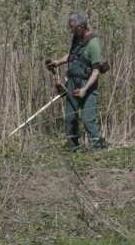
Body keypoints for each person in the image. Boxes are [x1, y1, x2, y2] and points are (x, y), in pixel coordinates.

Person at [45, 12, 107, 151]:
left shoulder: (93, 44)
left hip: (88, 84)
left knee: (87, 119)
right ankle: (73, 149)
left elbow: (96, 71)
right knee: (70, 117)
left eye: (75, 29)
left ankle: (97, 150)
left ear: (82, 27)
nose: (73, 32)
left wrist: (85, 89)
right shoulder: (77, 38)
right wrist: (57, 62)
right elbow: (73, 55)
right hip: (72, 83)